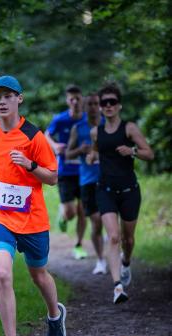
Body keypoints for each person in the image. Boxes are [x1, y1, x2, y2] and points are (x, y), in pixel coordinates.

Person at [0, 75, 66, 336]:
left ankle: (55, 315)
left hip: (32, 219)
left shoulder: (34, 136)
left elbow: (53, 177)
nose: (1, 101)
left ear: (19, 99)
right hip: (0, 215)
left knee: (39, 274)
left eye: (7, 96)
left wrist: (29, 165)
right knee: (2, 274)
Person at [87, 83, 154, 304]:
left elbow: (149, 153)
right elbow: (96, 148)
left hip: (129, 191)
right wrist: (90, 156)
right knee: (114, 237)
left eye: (112, 102)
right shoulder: (96, 131)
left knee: (128, 238)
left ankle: (126, 262)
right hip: (105, 190)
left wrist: (132, 151)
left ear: (119, 105)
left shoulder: (129, 128)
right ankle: (117, 286)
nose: (108, 106)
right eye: (104, 103)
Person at [66, 92, 107, 275]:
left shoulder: (109, 125)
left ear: (100, 105)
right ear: (84, 106)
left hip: (109, 178)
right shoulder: (78, 128)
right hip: (88, 180)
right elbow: (67, 154)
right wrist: (80, 150)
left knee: (112, 220)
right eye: (88, 104)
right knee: (96, 221)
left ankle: (115, 249)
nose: (92, 107)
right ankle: (100, 260)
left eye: (95, 103)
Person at [45, 85, 87, 260]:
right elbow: (45, 135)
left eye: (78, 98)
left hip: (86, 171)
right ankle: (63, 216)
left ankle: (78, 245)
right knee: (71, 212)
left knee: (83, 209)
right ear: (67, 100)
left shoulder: (88, 119)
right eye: (72, 99)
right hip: (65, 171)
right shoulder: (60, 119)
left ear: (82, 99)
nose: (75, 102)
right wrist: (55, 146)